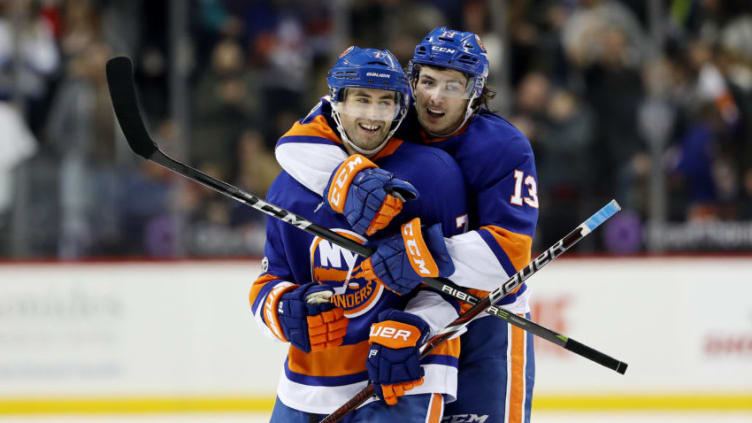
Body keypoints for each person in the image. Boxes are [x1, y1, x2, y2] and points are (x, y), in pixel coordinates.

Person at [274, 28, 539, 422]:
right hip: (419, 309)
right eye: (428, 81)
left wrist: (426, 253)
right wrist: (348, 180)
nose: (435, 96)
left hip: (485, 313)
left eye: (453, 85)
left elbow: (510, 257)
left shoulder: (503, 146)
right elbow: (294, 145)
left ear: (475, 92)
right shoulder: (390, 114)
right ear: (413, 80)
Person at [249, 46, 469, 422]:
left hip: (404, 377)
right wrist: (282, 310)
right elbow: (271, 279)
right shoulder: (290, 188)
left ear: (401, 109)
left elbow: (462, 286)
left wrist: (414, 325)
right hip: (309, 383)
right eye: (361, 100)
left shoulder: (434, 175)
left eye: (385, 102)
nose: (372, 116)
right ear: (336, 102)